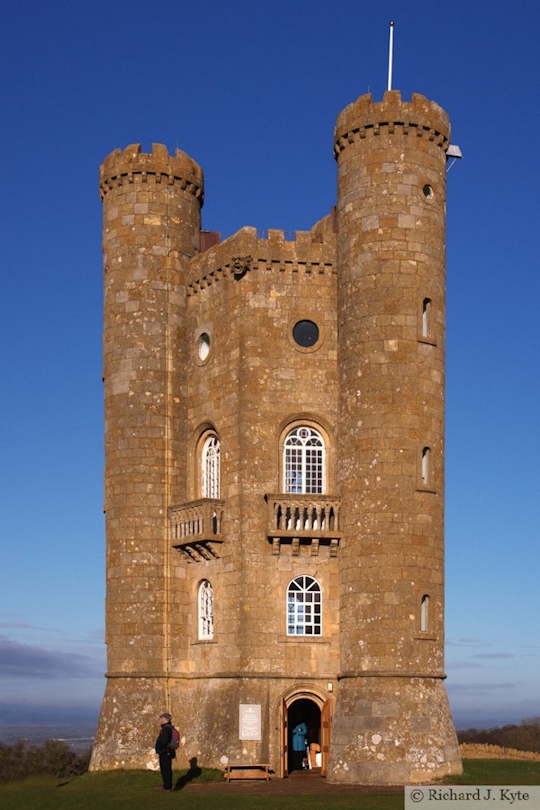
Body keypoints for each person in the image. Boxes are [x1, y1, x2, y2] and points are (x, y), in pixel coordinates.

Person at [155, 711, 175, 791]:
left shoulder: (166, 729)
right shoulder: (167, 728)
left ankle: (167, 787)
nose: (161, 720)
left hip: (165, 751)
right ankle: (166, 786)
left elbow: (164, 741)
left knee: (165, 769)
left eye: (162, 718)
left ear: (166, 719)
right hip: (165, 751)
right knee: (165, 769)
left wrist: (159, 746)